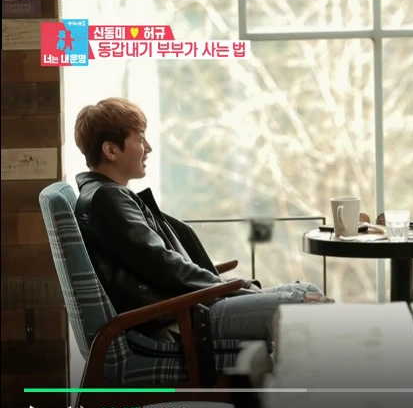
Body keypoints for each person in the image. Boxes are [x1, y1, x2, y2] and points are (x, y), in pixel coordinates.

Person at [72, 97, 333, 345]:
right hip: (182, 319)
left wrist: (234, 289)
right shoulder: (107, 199)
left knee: (308, 291)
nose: (148, 148)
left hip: (187, 306)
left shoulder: (106, 196)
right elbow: (163, 265)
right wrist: (236, 290)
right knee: (305, 308)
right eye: (140, 139)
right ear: (111, 150)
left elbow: (159, 265)